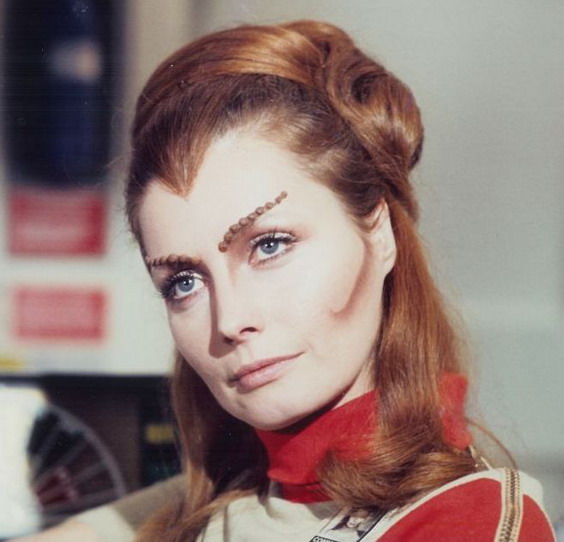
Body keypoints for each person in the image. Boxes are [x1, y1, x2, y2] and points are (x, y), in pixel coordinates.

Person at [15, 20, 555, 542]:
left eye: (270, 245)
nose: (230, 320)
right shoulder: (223, 498)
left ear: (379, 233)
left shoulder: (466, 521)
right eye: (184, 281)